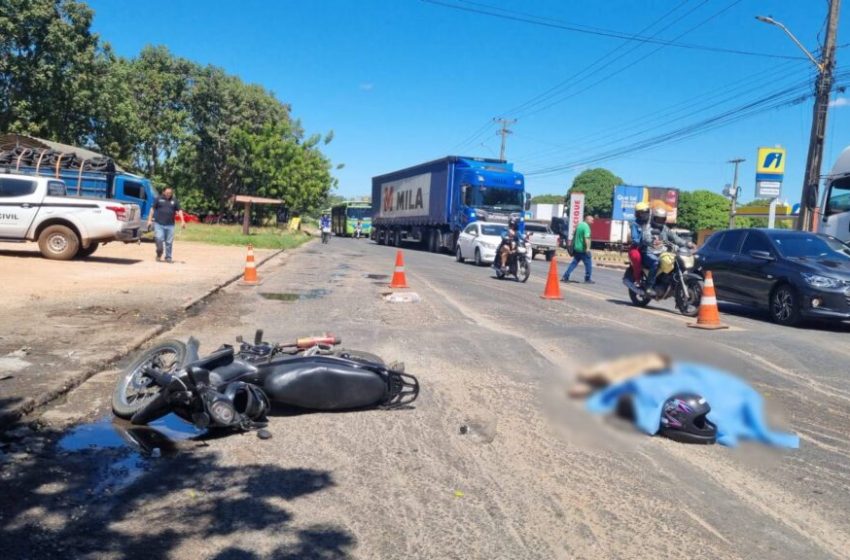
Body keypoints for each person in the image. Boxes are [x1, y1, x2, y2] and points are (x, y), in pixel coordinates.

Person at [642, 207, 694, 296]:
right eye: (658, 219)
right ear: (653, 218)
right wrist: (651, 241)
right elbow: (646, 238)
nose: (660, 221)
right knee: (656, 262)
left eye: (662, 219)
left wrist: (687, 243)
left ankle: (669, 283)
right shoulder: (648, 227)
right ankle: (648, 287)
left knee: (676, 261)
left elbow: (675, 238)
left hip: (663, 253)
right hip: (649, 252)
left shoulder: (665, 228)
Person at [146, 187, 185, 263]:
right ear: (164, 192)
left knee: (169, 242)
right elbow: (152, 209)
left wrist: (182, 221)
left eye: (170, 193)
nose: (168, 194)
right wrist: (149, 220)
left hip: (170, 225)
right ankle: (159, 253)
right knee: (159, 239)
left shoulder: (174, 200)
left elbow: (179, 210)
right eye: (167, 193)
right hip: (159, 224)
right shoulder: (158, 199)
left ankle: (168, 257)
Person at [562, 215, 594, 283]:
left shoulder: (579, 225)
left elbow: (574, 233)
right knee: (588, 264)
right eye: (591, 220)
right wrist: (587, 248)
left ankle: (565, 276)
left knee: (573, 264)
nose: (592, 222)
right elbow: (586, 238)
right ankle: (587, 278)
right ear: (587, 220)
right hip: (583, 249)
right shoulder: (586, 227)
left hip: (576, 248)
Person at [629, 202, 651, 284]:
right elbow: (635, 239)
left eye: (646, 212)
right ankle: (637, 280)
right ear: (638, 214)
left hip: (651, 247)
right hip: (637, 248)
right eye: (642, 213)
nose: (645, 214)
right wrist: (644, 240)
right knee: (636, 257)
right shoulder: (634, 224)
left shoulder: (651, 222)